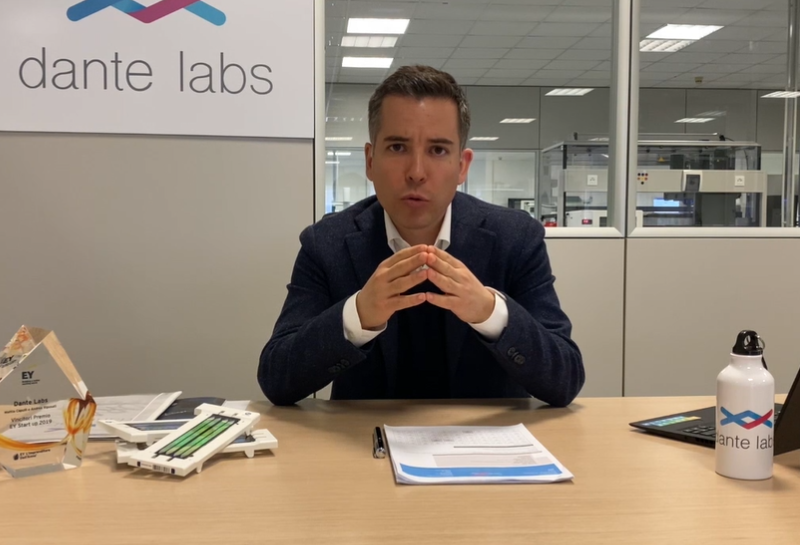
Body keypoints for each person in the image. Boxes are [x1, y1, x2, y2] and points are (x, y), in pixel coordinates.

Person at [258, 65, 584, 406]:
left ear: (462, 166)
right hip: (364, 437)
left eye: (438, 150)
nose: (416, 172)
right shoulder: (327, 243)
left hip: (485, 437)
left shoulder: (515, 238)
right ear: (370, 160)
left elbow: (565, 381)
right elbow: (277, 380)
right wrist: (357, 315)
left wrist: (491, 313)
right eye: (398, 147)